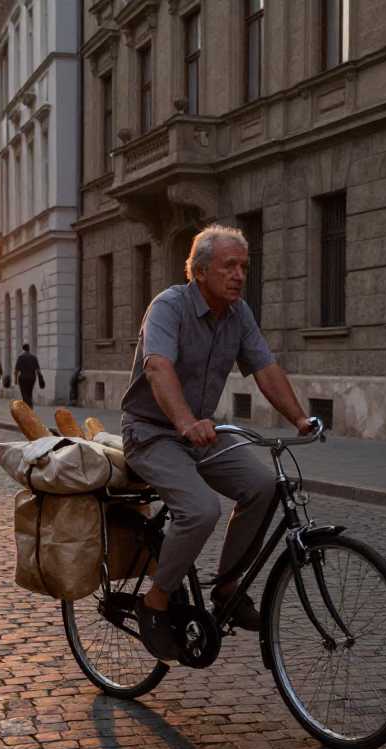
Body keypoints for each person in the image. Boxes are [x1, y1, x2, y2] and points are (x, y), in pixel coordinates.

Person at [122, 225, 311, 664]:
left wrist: (300, 418)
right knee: (201, 508)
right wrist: (185, 421)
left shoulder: (238, 313)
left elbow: (264, 368)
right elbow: (157, 367)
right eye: (230, 266)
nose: (240, 275)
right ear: (200, 271)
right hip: (150, 433)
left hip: (201, 433)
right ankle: (156, 600)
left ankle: (226, 590)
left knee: (263, 487)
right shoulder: (170, 306)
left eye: (244, 266)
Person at [13, 343, 43, 408]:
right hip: (32, 378)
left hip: (23, 378)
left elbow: (16, 371)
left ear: (23, 349)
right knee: (29, 392)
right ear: (29, 349)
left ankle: (27, 406)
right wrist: (40, 378)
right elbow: (38, 370)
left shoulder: (21, 358)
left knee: (24, 393)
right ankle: (29, 405)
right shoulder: (33, 358)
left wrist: (15, 381)